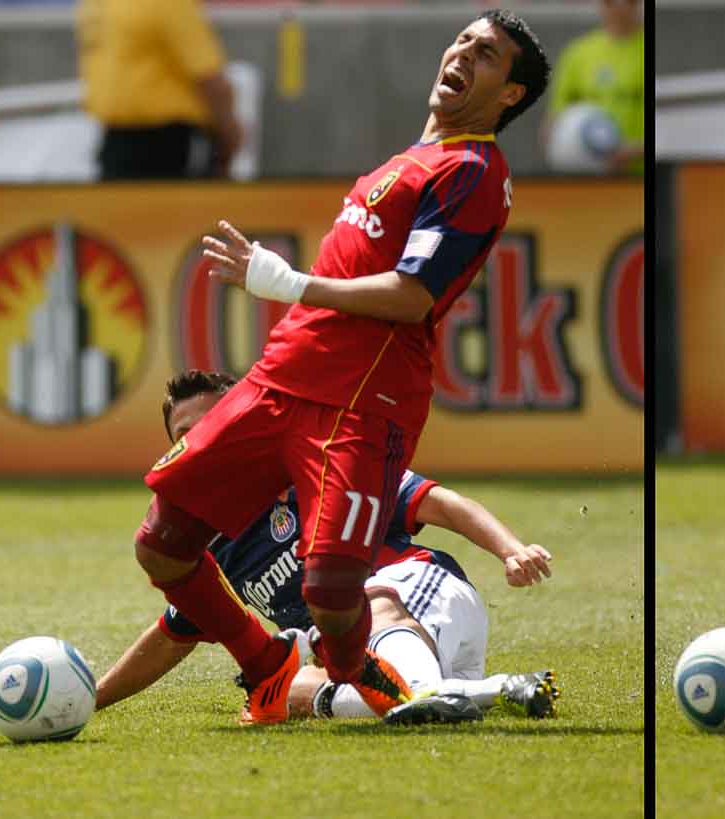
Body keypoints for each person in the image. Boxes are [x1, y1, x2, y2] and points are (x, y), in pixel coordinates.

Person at [131, 10, 548, 727]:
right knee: (161, 544)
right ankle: (269, 665)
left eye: (487, 55)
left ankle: (377, 684)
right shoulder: (400, 163)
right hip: (281, 378)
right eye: (464, 41)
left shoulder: (474, 171)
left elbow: (414, 297)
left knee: (330, 592)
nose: (464, 54)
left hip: (361, 401)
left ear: (508, 95)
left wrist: (287, 283)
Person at [94, 371, 558, 724]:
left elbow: (438, 503)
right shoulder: (208, 539)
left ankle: (438, 691)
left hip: (419, 597)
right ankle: (477, 692)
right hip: (382, 657)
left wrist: (509, 549)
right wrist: (89, 700)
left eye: (211, 424)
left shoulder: (313, 465)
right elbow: (171, 637)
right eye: (185, 438)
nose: (201, 442)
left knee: (366, 601)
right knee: (287, 687)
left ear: (237, 425)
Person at [75, 0, 239, 179]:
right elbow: (209, 78)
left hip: (124, 139)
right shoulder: (167, 4)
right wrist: (229, 133)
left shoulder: (99, 5)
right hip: (165, 143)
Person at [542, 0, 643, 175]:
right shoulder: (578, 53)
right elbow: (555, 116)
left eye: (629, 1)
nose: (620, 7)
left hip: (638, 175)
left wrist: (635, 150)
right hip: (587, 176)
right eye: (610, 2)